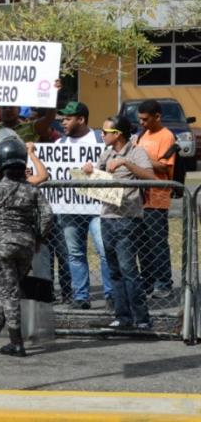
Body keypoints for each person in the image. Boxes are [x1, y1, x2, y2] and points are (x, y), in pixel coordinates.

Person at [0, 137, 53, 357]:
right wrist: (38, 238)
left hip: (3, 246)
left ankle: (16, 342)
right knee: (4, 291)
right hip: (25, 246)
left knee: (9, 293)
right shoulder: (32, 190)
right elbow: (48, 215)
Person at [81, 115, 156, 330]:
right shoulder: (106, 153)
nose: (102, 135)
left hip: (127, 219)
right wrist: (90, 173)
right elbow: (99, 182)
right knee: (114, 271)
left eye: (105, 132)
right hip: (107, 218)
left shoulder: (136, 152)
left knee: (129, 270)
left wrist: (126, 163)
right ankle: (122, 316)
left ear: (118, 134)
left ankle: (142, 318)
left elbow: (150, 178)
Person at [55, 102, 113, 311]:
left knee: (105, 250)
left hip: (98, 207)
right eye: (62, 118)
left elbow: (113, 171)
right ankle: (81, 297)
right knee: (75, 254)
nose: (63, 122)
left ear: (81, 119)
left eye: (67, 118)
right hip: (70, 208)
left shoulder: (100, 140)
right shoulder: (59, 144)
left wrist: (95, 171)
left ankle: (111, 295)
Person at [134, 100, 177, 299]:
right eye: (139, 119)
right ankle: (148, 281)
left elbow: (164, 167)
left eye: (145, 119)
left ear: (157, 116)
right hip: (140, 198)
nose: (141, 123)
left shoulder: (166, 136)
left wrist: (139, 158)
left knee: (157, 242)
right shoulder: (142, 134)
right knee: (142, 244)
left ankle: (164, 282)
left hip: (157, 197)